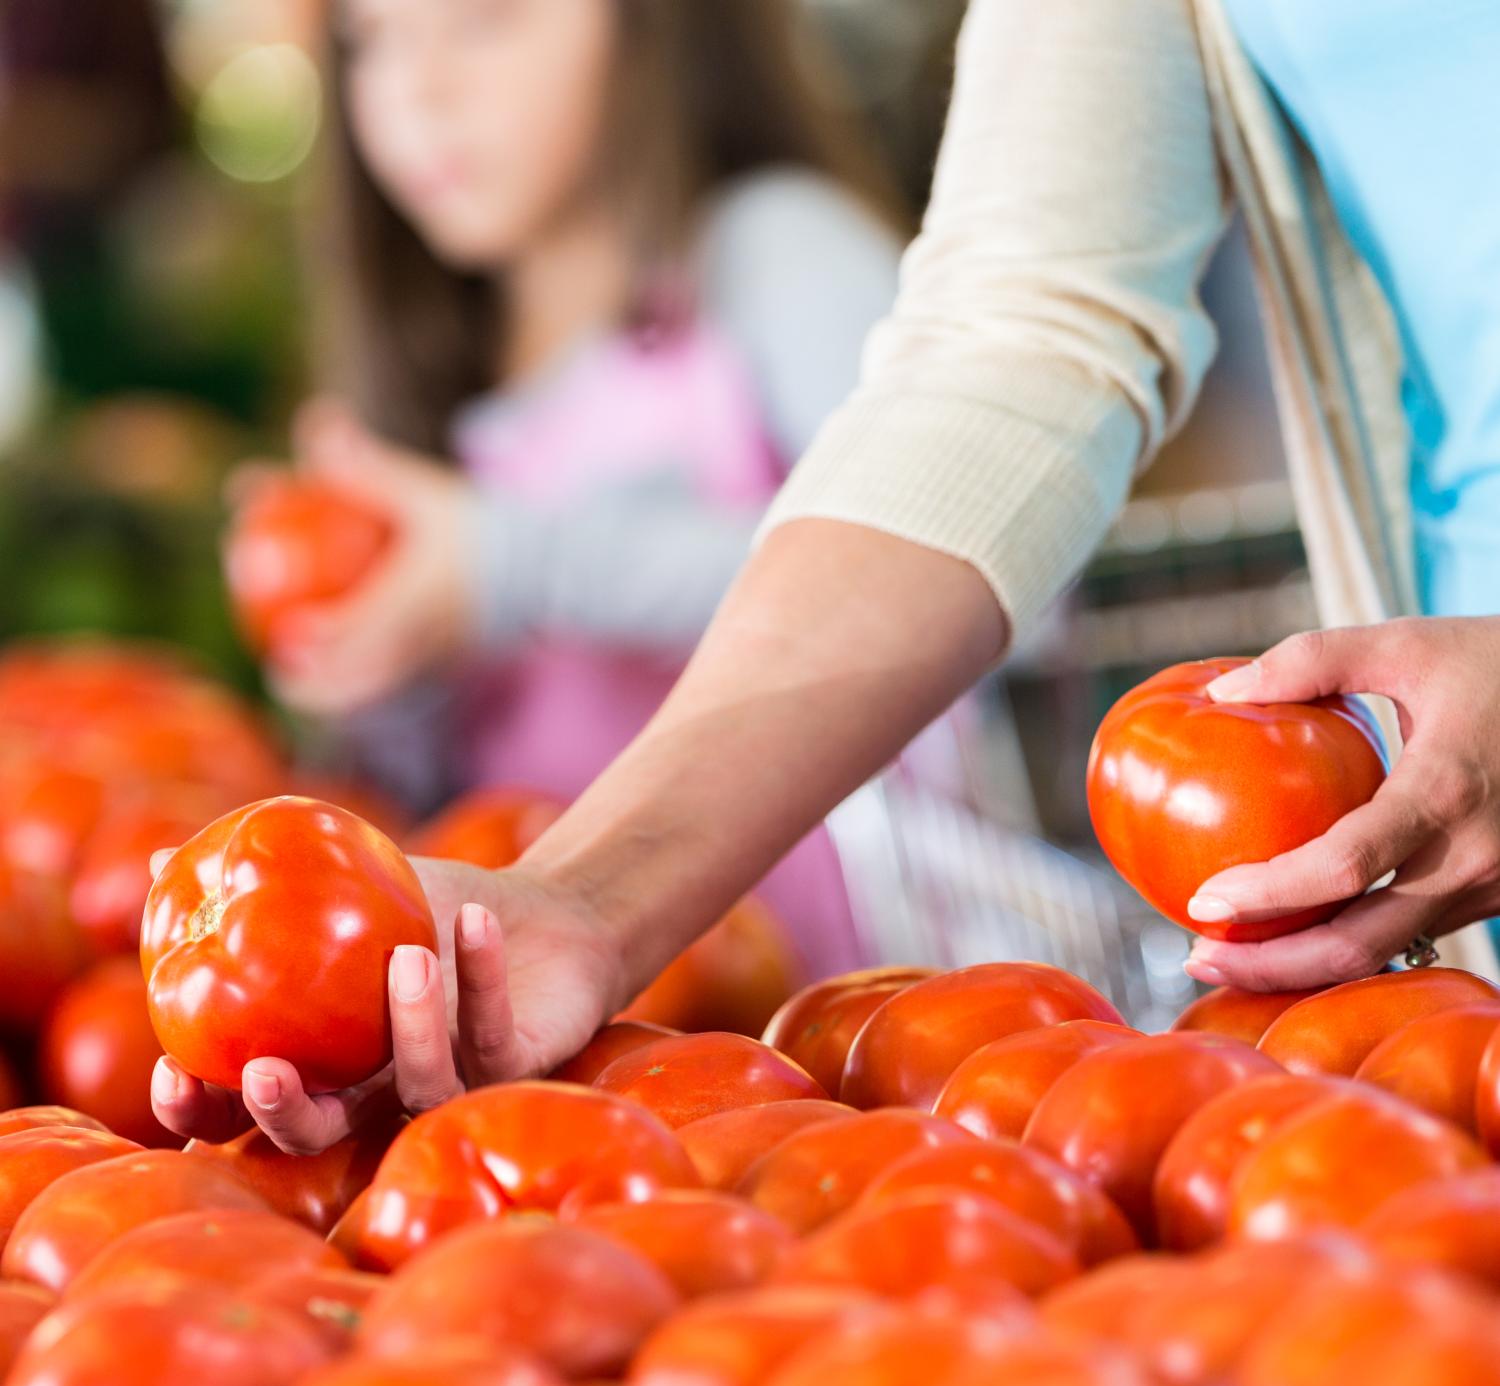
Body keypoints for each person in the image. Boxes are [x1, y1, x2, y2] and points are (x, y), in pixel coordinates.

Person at [155, 0, 1500, 1153]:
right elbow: (1025, 336)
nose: (425, 85)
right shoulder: (437, 363)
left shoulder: (763, 253)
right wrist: (582, 899)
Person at [251, 0, 910, 979]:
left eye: (482, 21)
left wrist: (505, 564)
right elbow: (443, 786)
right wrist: (387, 670)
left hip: (851, 1000)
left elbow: (924, 555)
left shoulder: (774, 252)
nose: (417, 91)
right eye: (371, 39)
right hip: (576, 1034)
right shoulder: (433, 385)